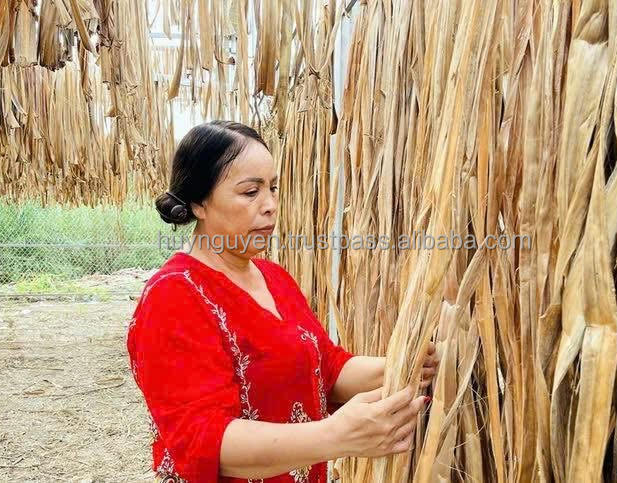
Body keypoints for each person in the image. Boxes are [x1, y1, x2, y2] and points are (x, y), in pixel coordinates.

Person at [127, 121, 439, 483]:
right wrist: (336, 435)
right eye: (250, 192)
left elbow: (327, 368)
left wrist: (405, 363)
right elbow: (202, 438)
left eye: (273, 188)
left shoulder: (274, 277)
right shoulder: (174, 296)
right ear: (199, 202)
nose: (270, 206)